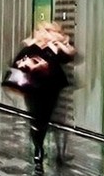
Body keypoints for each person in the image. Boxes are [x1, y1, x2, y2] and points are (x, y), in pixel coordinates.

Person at [5, 22, 75, 161]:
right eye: (44, 31)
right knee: (37, 118)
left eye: (50, 31)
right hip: (33, 87)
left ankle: (46, 146)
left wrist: (59, 45)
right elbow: (17, 63)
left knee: (45, 116)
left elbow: (69, 57)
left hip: (51, 87)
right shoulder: (31, 47)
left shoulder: (55, 48)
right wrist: (29, 64)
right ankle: (38, 147)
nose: (46, 34)